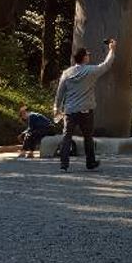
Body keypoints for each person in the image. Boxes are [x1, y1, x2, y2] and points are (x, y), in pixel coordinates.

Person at [54, 39, 116, 172]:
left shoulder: (66, 73)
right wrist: (111, 49)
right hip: (86, 111)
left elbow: (60, 93)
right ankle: (90, 162)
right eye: (87, 54)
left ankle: (64, 165)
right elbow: (106, 65)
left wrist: (56, 109)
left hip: (70, 111)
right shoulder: (90, 71)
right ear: (83, 57)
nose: (89, 56)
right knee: (88, 137)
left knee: (66, 137)